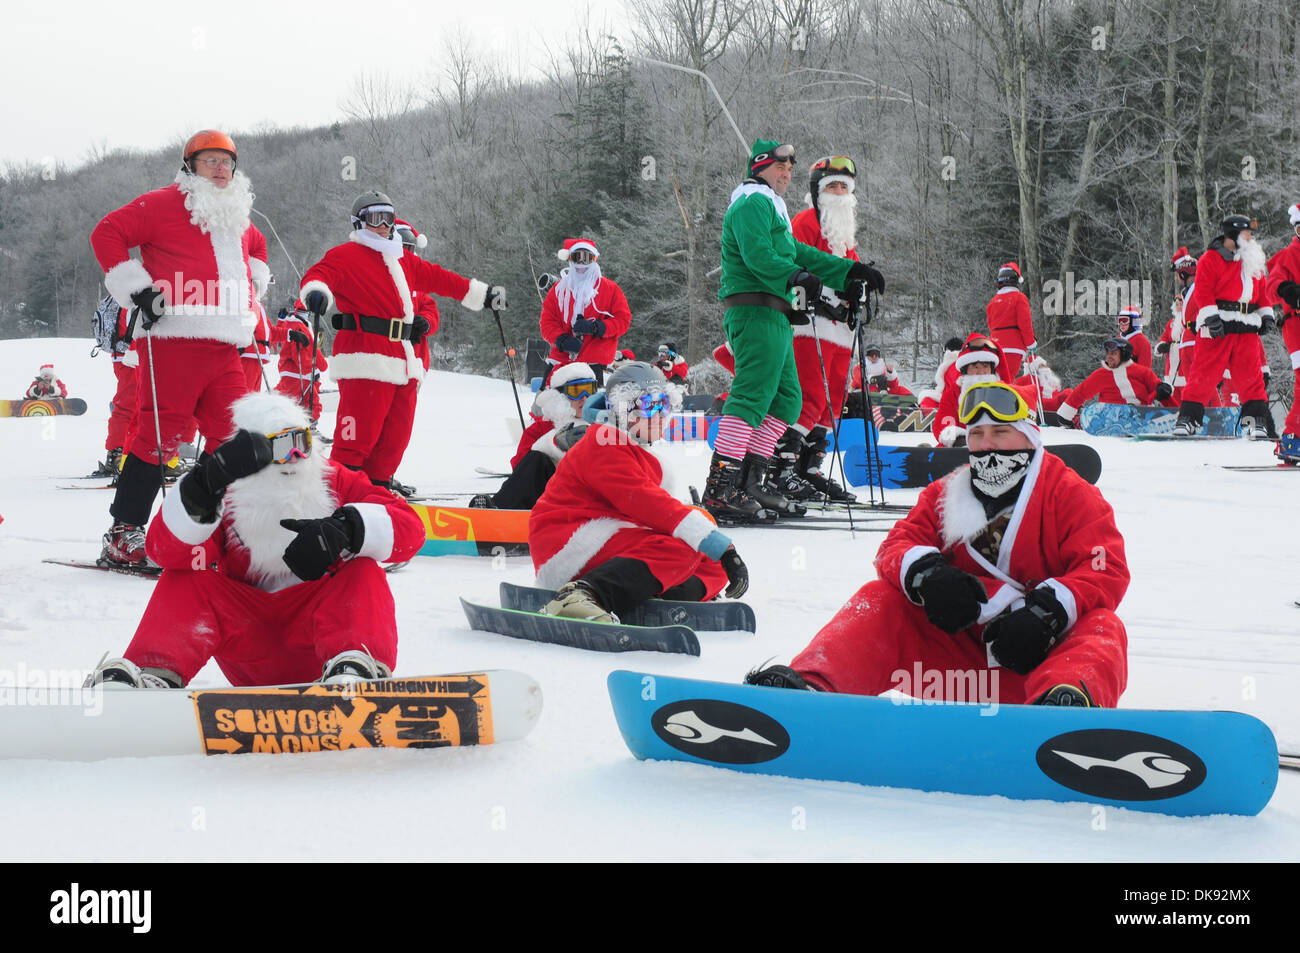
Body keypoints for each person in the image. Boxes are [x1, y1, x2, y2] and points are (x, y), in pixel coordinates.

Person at [746, 382, 1130, 708]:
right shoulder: (946, 493)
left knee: (1103, 627)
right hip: (954, 672)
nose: (986, 445)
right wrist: (928, 575)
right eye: (976, 435)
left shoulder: (1071, 494)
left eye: (1000, 432)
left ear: (1029, 437)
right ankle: (811, 692)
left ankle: (1069, 713)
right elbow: (898, 544)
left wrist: (1045, 615)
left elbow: (1104, 568)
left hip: (1035, 670)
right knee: (880, 598)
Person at [84, 392, 425, 689]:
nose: (294, 460)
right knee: (188, 576)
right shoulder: (229, 497)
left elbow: (411, 530)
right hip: (249, 643)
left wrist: (348, 529)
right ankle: (153, 671)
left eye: (301, 443)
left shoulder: (336, 480)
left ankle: (356, 666)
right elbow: (164, 551)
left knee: (362, 569)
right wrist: (200, 491)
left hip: (321, 641)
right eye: (279, 448)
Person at [90, 129, 270, 568]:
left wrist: (254, 285)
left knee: (235, 439)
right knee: (158, 439)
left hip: (226, 346)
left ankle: (204, 522)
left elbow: (258, 248)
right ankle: (123, 533)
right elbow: (107, 232)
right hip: (173, 339)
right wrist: (140, 290)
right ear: (189, 166)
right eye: (210, 161)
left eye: (227, 162)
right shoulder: (163, 203)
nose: (221, 169)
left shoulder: (237, 219)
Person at [703, 139, 882, 522]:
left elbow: (802, 254)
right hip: (753, 307)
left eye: (790, 167)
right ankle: (721, 484)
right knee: (752, 395)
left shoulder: (774, 209)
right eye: (779, 166)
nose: (786, 172)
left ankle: (752, 479)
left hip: (778, 313)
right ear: (758, 168)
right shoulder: (751, 203)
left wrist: (851, 271)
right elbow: (759, 256)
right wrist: (795, 276)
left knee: (786, 400)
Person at [298, 191, 504, 495]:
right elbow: (319, 275)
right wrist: (316, 293)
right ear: (359, 223)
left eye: (388, 218)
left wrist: (482, 295)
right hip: (366, 361)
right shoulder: (345, 255)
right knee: (356, 440)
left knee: (394, 441)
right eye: (374, 218)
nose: (383, 225)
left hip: (404, 363)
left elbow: (441, 279)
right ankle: (335, 499)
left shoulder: (403, 260)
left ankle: (376, 496)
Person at [530, 361, 748, 622]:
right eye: (648, 405)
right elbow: (647, 503)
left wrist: (713, 543)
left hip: (608, 538)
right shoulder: (602, 444)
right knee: (684, 548)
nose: (659, 415)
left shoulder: (633, 449)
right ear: (622, 410)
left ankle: (653, 595)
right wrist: (718, 544)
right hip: (568, 543)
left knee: (711, 560)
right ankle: (579, 596)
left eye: (664, 404)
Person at [1174, 214, 1273, 436]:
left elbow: (1262, 292)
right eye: (1246, 232)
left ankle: (1255, 421)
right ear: (1233, 234)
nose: (1250, 237)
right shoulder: (1211, 259)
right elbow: (1203, 290)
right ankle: (1188, 419)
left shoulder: (1253, 260)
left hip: (1246, 327)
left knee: (1252, 377)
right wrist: (1210, 317)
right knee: (1203, 374)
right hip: (1217, 325)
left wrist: (1266, 315)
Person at [471, 362, 597, 510]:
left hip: (589, 493)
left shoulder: (603, 425)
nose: (584, 398)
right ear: (560, 397)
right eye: (576, 391)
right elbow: (522, 471)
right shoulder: (540, 429)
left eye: (589, 391)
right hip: (552, 493)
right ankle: (499, 509)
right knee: (536, 458)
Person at [539, 238, 632, 383]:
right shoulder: (558, 290)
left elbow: (623, 320)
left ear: (594, 259)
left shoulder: (610, 289)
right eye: (577, 257)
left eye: (587, 258)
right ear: (570, 259)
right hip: (560, 361)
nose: (581, 263)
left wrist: (598, 327)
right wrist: (561, 340)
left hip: (594, 364)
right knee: (544, 401)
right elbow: (547, 322)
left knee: (588, 404)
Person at [1054, 338, 1174, 424]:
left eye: (1113, 353)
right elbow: (1081, 392)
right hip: (1110, 416)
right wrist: (1066, 415)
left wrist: (1176, 412)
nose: (1109, 357)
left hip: (1141, 414)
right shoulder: (1102, 374)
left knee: (1161, 393)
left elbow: (1160, 391)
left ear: (1124, 355)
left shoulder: (1142, 372)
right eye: (1108, 354)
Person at [90, 296, 140, 480]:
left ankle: (121, 450)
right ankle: (117, 452)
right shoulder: (132, 292)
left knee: (132, 403)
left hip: (126, 354)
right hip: (129, 355)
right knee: (129, 404)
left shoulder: (124, 290)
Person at [1266, 202, 1300, 462]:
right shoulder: (1291, 254)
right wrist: (1286, 288)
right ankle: (1292, 437)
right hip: (1296, 324)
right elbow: (1271, 286)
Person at [934, 334, 1006, 447]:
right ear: (965, 369)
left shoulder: (1004, 392)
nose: (981, 372)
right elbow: (943, 423)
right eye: (975, 367)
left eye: (985, 366)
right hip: (962, 445)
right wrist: (958, 439)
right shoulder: (953, 393)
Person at [1157, 248, 1197, 402]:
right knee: (1175, 392)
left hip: (1191, 345)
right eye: (1177, 302)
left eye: (1177, 275)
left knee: (1193, 384)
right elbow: (1165, 336)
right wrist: (1162, 345)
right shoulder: (1172, 322)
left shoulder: (1195, 291)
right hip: (1175, 358)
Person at [985, 262, 1035, 380]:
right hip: (1013, 346)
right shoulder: (1019, 298)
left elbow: (991, 325)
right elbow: (1025, 324)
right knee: (1008, 379)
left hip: (995, 345)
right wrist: (1031, 343)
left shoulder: (993, 302)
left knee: (997, 378)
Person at [916, 337, 965, 412]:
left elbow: (956, 390)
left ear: (947, 351)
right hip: (951, 402)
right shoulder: (956, 366)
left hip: (952, 406)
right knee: (927, 398)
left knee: (927, 400)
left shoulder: (954, 367)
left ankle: (923, 414)